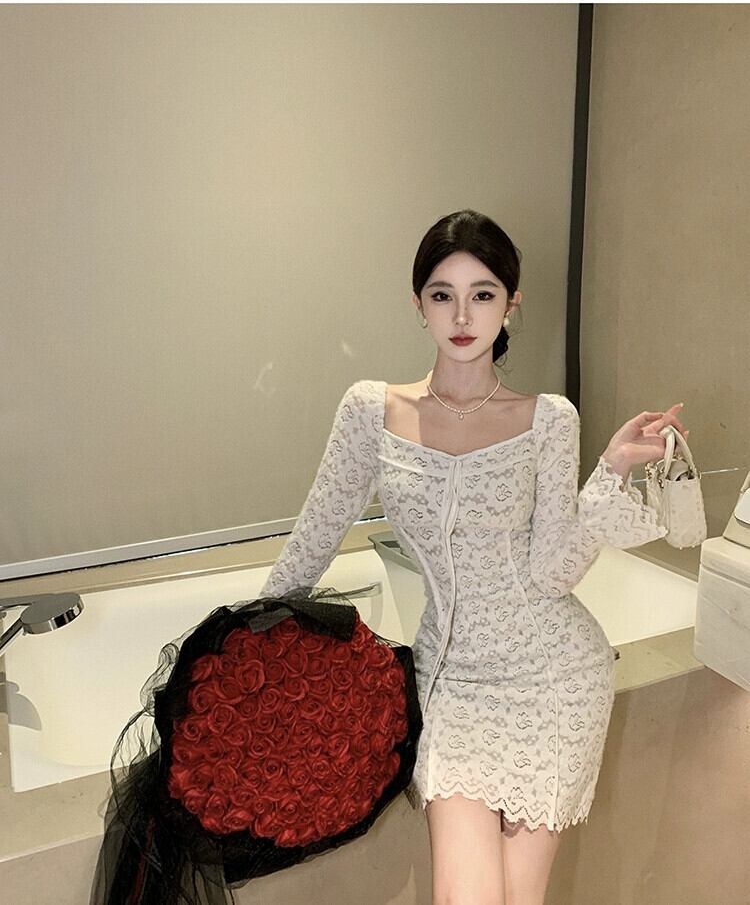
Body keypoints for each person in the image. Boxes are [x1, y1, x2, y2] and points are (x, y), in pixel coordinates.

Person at [257, 209, 688, 905]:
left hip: (554, 678)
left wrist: (607, 474)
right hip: (453, 684)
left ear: (511, 303)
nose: (462, 316)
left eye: (482, 293)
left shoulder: (550, 418)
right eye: (443, 294)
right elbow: (315, 537)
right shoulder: (371, 410)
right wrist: (242, 638)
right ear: (419, 304)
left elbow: (552, 572)